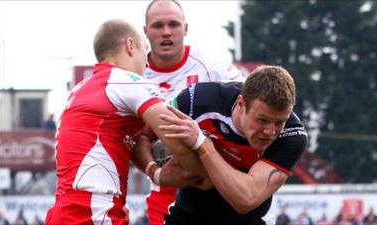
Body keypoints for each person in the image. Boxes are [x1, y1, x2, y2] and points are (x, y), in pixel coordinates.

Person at [44, 19, 201, 225]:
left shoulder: (79, 90)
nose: (147, 62)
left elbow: (124, 141)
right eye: (145, 50)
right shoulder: (126, 81)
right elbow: (175, 133)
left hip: (63, 212)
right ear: (129, 46)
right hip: (92, 213)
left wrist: (156, 173)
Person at [153, 65, 308, 225]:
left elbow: (245, 200)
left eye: (279, 122)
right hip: (186, 216)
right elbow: (143, 135)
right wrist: (154, 172)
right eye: (262, 120)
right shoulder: (197, 100)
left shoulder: (292, 135)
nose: (270, 131)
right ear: (241, 104)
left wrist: (203, 145)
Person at [138, 0, 245, 224]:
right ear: (145, 31)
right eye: (158, 25)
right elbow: (133, 139)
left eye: (173, 24)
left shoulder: (211, 66)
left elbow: (248, 111)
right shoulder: (133, 77)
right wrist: (154, 171)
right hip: (165, 190)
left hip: (214, 186)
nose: (166, 32)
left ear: (185, 28)